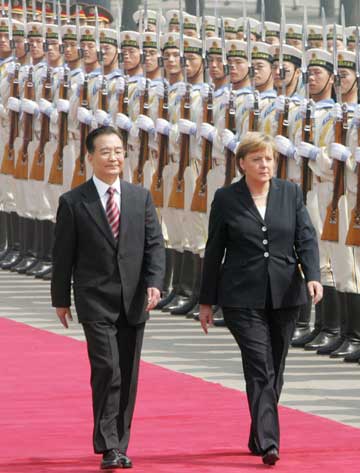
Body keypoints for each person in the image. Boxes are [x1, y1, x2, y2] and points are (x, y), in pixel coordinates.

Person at [199, 132, 322, 466]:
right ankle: (270, 441)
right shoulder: (226, 198)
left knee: (275, 367)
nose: (264, 164)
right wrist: (206, 300)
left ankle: (258, 432)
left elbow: (305, 238)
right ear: (241, 164)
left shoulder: (290, 193)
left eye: (268, 158)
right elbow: (214, 250)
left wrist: (312, 275)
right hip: (241, 296)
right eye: (256, 159)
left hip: (285, 293)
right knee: (259, 366)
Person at [51, 126, 165, 470]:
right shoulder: (73, 202)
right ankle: (108, 445)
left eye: (118, 151)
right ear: (90, 157)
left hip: (133, 301)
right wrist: (61, 298)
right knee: (107, 369)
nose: (113, 158)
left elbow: (154, 245)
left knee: (127, 374)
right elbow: (63, 254)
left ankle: (120, 443)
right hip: (94, 299)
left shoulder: (139, 197)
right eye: (105, 152)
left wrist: (154, 283)